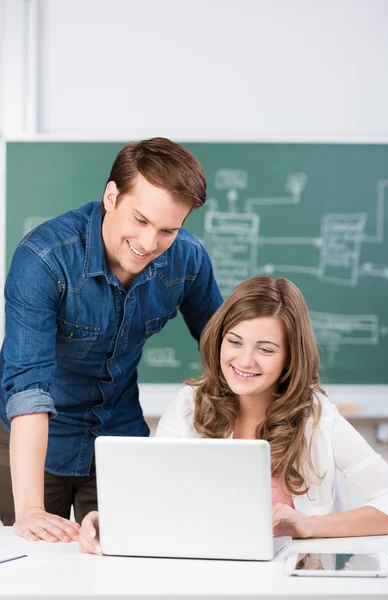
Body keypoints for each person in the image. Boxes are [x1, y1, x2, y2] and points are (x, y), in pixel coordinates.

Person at [0, 137, 223, 543]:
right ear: (111, 195)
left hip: (119, 439)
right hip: (30, 444)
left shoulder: (188, 259)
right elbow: (28, 387)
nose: (149, 244)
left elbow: (226, 348)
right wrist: (29, 508)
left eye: (168, 230)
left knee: (126, 561)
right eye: (140, 220)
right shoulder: (44, 259)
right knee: (32, 562)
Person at [78, 276, 388, 555]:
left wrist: (310, 525)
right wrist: (111, 519)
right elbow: (153, 496)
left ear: (290, 358)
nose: (244, 361)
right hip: (204, 579)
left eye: (266, 349)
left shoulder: (316, 418)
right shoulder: (189, 405)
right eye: (234, 342)